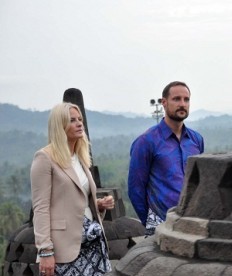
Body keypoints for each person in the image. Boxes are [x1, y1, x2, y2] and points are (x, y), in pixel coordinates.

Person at [31, 102, 115, 276]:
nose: (79, 124)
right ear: (59, 125)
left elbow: (74, 199)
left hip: (91, 242)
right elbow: (40, 208)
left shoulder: (80, 157)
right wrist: (45, 251)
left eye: (80, 119)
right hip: (64, 247)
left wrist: (98, 205)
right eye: (72, 120)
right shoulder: (44, 158)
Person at [128, 81, 204, 236]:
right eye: (176, 99)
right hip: (161, 224)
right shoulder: (146, 141)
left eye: (186, 99)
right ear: (164, 102)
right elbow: (136, 189)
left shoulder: (196, 140)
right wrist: (150, 222)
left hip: (192, 222)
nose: (182, 104)